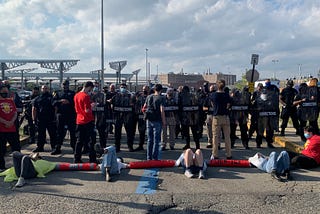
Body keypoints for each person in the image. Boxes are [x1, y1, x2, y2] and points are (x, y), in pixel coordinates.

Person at [73, 81, 97, 163]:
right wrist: (92, 106)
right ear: (89, 87)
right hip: (87, 120)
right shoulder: (86, 96)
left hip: (79, 120)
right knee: (91, 140)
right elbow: (87, 110)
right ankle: (92, 158)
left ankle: (77, 158)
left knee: (79, 141)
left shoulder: (76, 95)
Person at [209, 79, 232, 160]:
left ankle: (215, 154)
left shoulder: (213, 95)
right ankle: (228, 154)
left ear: (217, 86)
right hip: (225, 117)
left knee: (215, 137)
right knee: (227, 137)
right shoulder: (227, 95)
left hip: (216, 117)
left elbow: (212, 105)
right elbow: (228, 105)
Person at [109, 83, 136, 152]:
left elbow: (134, 105)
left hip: (128, 116)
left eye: (124, 87)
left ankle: (130, 146)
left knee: (129, 133)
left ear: (126, 88)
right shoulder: (116, 96)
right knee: (117, 132)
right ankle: (117, 147)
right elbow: (112, 105)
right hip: (118, 116)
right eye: (121, 87)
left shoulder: (131, 96)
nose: (123, 88)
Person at [0, 83, 21, 171]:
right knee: (1, 149)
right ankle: (1, 166)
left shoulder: (10, 101)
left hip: (11, 128)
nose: (5, 93)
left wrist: (11, 121)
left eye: (6, 92)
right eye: (3, 92)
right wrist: (6, 122)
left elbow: (15, 112)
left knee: (16, 147)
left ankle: (19, 165)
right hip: (1, 129)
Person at [52, 80, 77, 154]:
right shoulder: (57, 93)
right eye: (63, 84)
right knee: (59, 132)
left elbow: (76, 102)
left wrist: (69, 102)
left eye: (66, 84)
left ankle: (74, 147)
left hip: (71, 115)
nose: (64, 86)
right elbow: (53, 102)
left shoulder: (72, 93)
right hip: (61, 115)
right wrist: (60, 101)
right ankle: (58, 148)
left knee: (72, 132)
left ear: (68, 85)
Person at [143, 84, 166, 160]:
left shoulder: (149, 97)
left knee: (150, 139)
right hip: (157, 119)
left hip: (149, 119)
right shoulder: (161, 98)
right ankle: (155, 157)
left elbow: (144, 108)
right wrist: (164, 121)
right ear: (161, 90)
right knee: (156, 140)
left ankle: (148, 157)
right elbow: (162, 110)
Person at [32, 85, 57, 154]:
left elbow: (55, 108)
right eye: (43, 88)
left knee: (52, 134)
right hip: (40, 119)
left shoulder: (51, 97)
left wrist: (55, 117)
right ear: (41, 89)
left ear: (48, 89)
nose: (45, 90)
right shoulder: (37, 98)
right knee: (41, 134)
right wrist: (34, 119)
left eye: (46, 88)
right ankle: (40, 147)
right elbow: (34, 109)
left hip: (50, 119)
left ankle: (54, 147)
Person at [255, 79, 279, 148]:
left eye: (268, 82)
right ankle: (258, 143)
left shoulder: (273, 90)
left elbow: (276, 101)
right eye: (266, 82)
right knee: (261, 129)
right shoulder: (262, 91)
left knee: (270, 130)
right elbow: (259, 101)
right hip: (263, 113)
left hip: (271, 113)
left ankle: (269, 143)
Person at [178, 85, 201, 150]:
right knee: (194, 132)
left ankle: (188, 145)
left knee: (186, 133)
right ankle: (197, 146)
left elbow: (179, 107)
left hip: (185, 118)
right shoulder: (194, 96)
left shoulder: (182, 96)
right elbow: (199, 105)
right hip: (194, 118)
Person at [134, 85, 150, 151]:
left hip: (149, 116)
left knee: (150, 132)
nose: (144, 90)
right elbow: (136, 105)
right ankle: (141, 145)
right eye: (143, 89)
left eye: (145, 89)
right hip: (141, 116)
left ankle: (150, 146)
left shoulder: (150, 96)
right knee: (141, 132)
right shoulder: (140, 97)